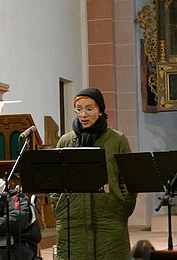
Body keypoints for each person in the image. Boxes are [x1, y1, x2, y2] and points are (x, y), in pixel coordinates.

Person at [50, 87, 137, 259]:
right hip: (72, 218)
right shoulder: (66, 141)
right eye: (79, 109)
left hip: (110, 217)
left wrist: (122, 205)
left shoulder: (117, 139)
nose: (83, 114)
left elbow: (129, 179)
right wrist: (59, 206)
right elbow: (55, 180)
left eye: (89, 109)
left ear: (100, 110)